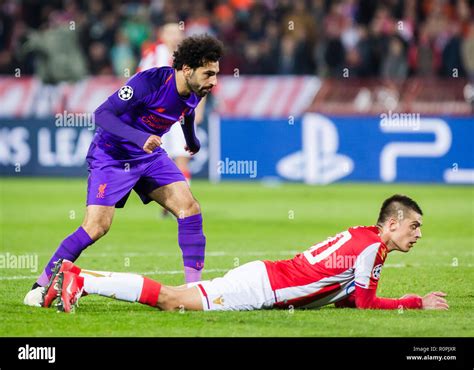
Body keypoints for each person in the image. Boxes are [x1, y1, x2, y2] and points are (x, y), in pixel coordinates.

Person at [24, 34, 224, 307]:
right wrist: (140, 138)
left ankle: (192, 289)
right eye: (208, 74)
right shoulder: (149, 82)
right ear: (187, 69)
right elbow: (102, 115)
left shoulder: (194, 90)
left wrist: (192, 140)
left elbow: (186, 112)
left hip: (150, 158)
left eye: (215, 74)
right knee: (96, 227)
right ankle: (40, 285)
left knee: (190, 209)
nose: (213, 81)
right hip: (112, 157)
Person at [41, 195, 448, 313]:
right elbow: (365, 303)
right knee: (172, 300)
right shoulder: (374, 249)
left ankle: (77, 279)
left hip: (264, 278)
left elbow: (341, 292)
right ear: (391, 224)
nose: (417, 234)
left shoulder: (362, 236)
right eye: (414, 226)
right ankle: (82, 278)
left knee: (177, 300)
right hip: (261, 289)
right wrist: (416, 303)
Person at [137, 23, 207, 216]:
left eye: (177, 32)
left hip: (180, 115)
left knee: (182, 158)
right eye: (170, 32)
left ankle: (183, 204)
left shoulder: (190, 56)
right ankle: (169, 201)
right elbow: (140, 82)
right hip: (156, 116)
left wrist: (198, 110)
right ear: (162, 35)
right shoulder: (153, 54)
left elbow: (202, 84)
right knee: (162, 159)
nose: (174, 36)